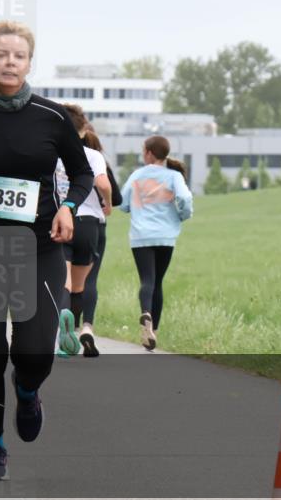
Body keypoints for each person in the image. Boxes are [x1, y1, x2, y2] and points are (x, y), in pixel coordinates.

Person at [0, 21, 93, 481]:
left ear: (29, 62)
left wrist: (68, 206)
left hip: (39, 248)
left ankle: (27, 392)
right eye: (1, 55)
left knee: (35, 353)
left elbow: (82, 173)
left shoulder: (52, 117)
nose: (10, 62)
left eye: (19, 56)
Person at [119, 135, 193, 351]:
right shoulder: (174, 176)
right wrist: (183, 215)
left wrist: (133, 207)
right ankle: (154, 331)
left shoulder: (137, 175)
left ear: (149, 153)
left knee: (147, 280)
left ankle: (146, 313)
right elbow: (185, 198)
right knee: (158, 282)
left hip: (140, 236)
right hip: (166, 236)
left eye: (144, 151)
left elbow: (122, 203)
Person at [54, 105, 113, 357]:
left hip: (60, 219)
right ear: (83, 130)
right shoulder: (92, 154)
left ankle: (63, 333)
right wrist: (107, 202)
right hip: (89, 222)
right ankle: (78, 330)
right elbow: (102, 183)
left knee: (63, 283)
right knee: (81, 284)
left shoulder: (52, 154)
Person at [78, 123, 122, 357]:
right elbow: (116, 196)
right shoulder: (98, 161)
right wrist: (106, 202)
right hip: (95, 226)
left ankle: (69, 329)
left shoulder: (64, 158)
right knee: (90, 279)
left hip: (67, 220)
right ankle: (87, 326)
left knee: (67, 279)